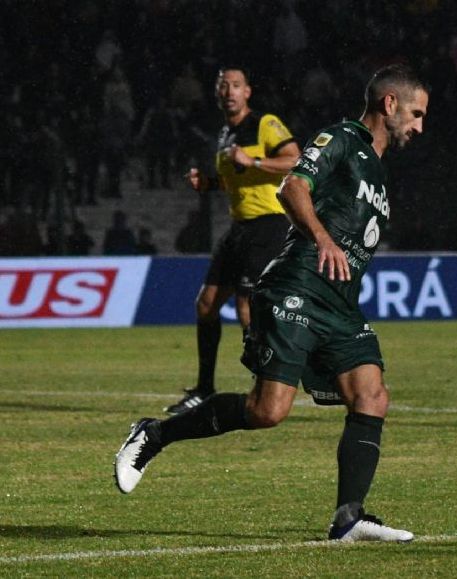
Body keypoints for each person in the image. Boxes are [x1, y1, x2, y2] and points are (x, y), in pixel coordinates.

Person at [115, 63, 429, 543]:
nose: (419, 126)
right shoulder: (342, 138)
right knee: (268, 411)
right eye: (416, 113)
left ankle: (348, 518)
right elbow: (292, 187)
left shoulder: (378, 172)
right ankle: (155, 434)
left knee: (373, 395)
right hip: (297, 285)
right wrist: (322, 238)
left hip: (340, 302)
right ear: (390, 105)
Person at [163, 66, 301, 415]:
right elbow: (236, 180)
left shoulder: (265, 123)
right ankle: (204, 389)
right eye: (223, 85)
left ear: (248, 92)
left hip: (269, 224)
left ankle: (267, 387)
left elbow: (295, 159)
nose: (229, 91)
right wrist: (208, 184)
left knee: (246, 307)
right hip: (240, 227)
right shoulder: (226, 134)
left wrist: (253, 158)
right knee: (206, 304)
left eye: (236, 85)